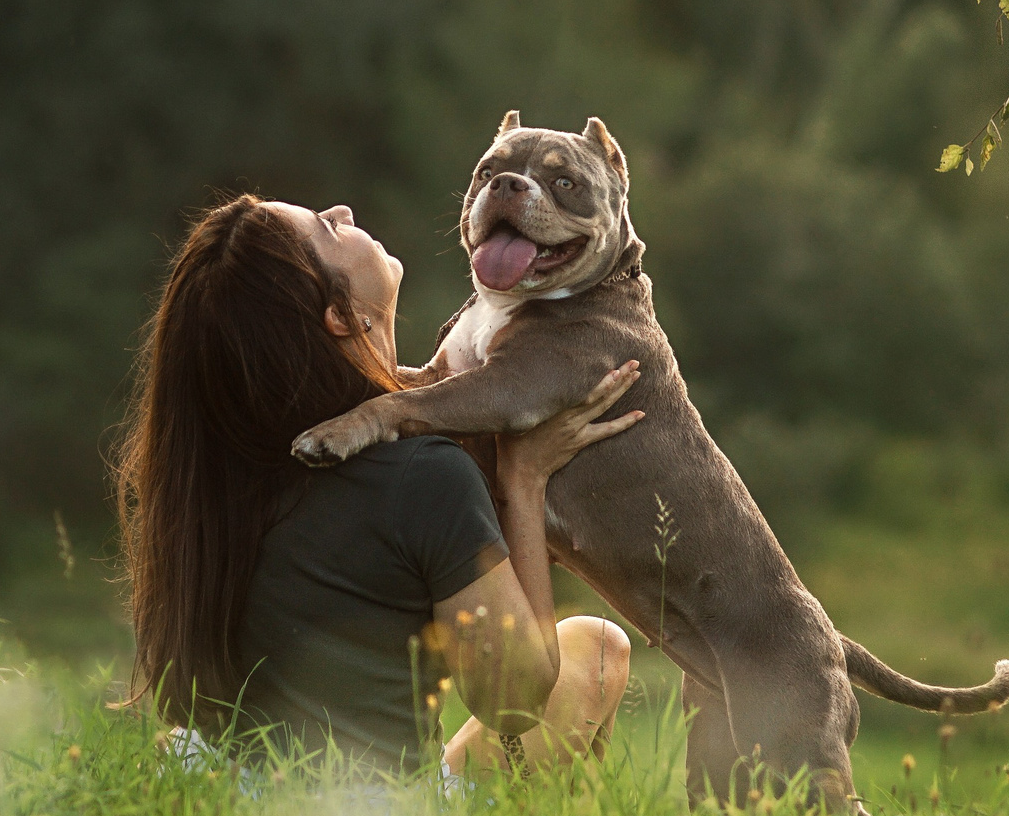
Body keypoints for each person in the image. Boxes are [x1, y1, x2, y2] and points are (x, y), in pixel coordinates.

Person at [115, 194, 639, 780]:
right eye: (325, 229)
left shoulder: (211, 470)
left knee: (589, 642)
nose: (340, 211)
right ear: (340, 316)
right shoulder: (420, 474)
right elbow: (514, 704)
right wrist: (525, 474)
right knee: (595, 652)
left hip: (234, 786)